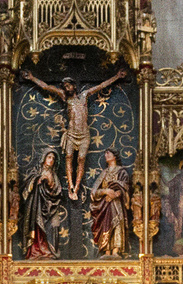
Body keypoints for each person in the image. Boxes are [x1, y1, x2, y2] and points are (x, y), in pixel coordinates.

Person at [22, 69, 127, 200]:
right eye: (65, 86)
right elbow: (46, 87)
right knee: (69, 158)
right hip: (71, 134)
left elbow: (101, 86)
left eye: (68, 85)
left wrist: (117, 76)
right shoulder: (64, 97)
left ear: (74, 86)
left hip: (84, 134)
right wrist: (32, 77)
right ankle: (70, 186)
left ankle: (76, 188)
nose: (67, 88)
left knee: (81, 160)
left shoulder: (84, 95)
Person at [19, 149, 68, 258]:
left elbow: (57, 190)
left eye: (53, 159)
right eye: (49, 157)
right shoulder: (37, 172)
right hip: (37, 205)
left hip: (51, 206)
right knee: (36, 226)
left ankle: (49, 251)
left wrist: (50, 184)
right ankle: (35, 251)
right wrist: (38, 180)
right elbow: (27, 188)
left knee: (52, 226)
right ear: (44, 158)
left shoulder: (53, 175)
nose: (51, 160)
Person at [87, 148, 134, 256]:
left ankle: (116, 251)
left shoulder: (121, 172)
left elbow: (126, 187)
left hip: (117, 204)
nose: (106, 155)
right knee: (106, 224)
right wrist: (105, 191)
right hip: (105, 205)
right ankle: (107, 251)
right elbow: (94, 192)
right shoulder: (104, 173)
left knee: (117, 224)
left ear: (115, 156)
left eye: (109, 153)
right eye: (105, 154)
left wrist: (117, 193)